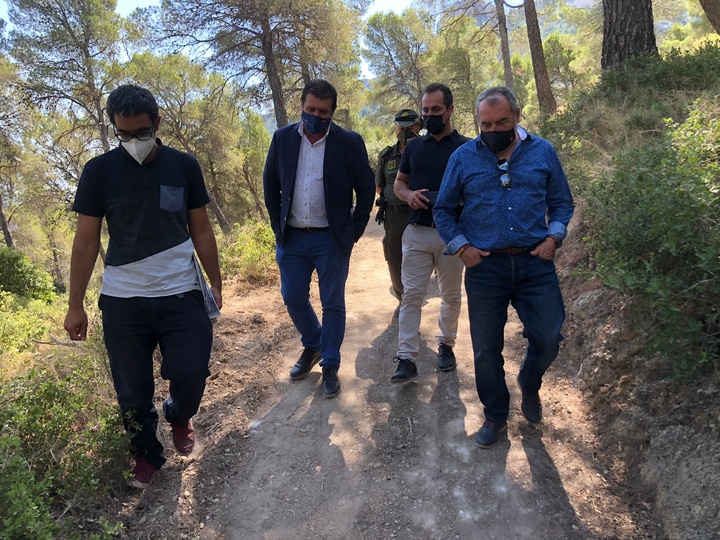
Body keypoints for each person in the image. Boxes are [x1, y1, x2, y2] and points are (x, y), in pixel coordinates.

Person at [63, 84, 222, 487]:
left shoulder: (183, 166)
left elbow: (201, 229)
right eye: (124, 134)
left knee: (190, 372)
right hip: (123, 300)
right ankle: (146, 456)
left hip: (182, 292)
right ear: (114, 128)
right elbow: (85, 241)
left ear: (158, 123)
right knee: (131, 391)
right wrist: (75, 304)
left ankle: (180, 416)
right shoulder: (98, 172)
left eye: (142, 132)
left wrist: (216, 284)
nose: (133, 141)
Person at [434, 86, 574, 448]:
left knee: (548, 336)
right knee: (484, 348)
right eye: (486, 124)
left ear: (517, 116)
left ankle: (529, 382)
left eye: (502, 122)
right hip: (485, 268)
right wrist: (461, 246)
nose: (493, 129)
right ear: (476, 122)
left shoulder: (542, 151)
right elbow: (443, 210)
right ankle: (495, 414)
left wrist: (553, 238)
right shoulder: (464, 157)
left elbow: (561, 203)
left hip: (534, 263)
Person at [263, 79, 375, 398]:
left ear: (332, 112)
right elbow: (270, 185)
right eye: (310, 109)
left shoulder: (349, 142)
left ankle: (330, 365)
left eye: (323, 111)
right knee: (293, 297)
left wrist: (354, 231)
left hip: (332, 239)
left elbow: (366, 188)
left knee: (332, 303)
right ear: (302, 105)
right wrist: (277, 226)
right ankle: (313, 344)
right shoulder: (283, 138)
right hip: (292, 238)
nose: (316, 116)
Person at [390, 83, 471, 383]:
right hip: (417, 231)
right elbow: (399, 184)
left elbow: (477, 188)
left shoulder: (467, 147)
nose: (429, 115)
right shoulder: (413, 147)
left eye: (436, 110)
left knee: (450, 295)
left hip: (452, 234)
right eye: (425, 110)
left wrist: (460, 199)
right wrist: (409, 195)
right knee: (411, 295)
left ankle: (446, 345)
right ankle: (407, 358)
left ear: (450, 109)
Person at [375, 109, 423, 306]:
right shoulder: (387, 156)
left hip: (421, 214)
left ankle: (416, 300)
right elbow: (379, 187)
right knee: (394, 258)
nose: (404, 132)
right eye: (400, 127)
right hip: (394, 216)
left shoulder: (426, 150)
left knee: (421, 259)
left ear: (419, 127)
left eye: (409, 128)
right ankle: (403, 300)